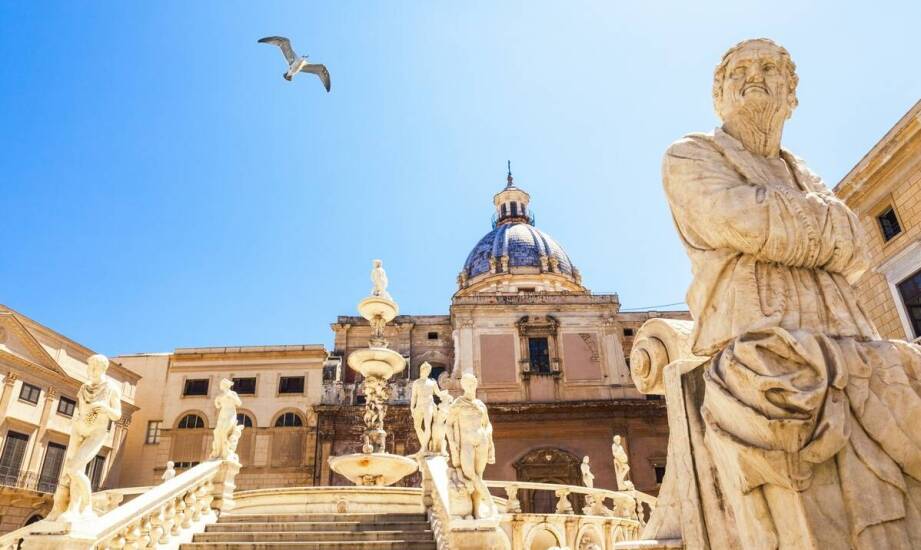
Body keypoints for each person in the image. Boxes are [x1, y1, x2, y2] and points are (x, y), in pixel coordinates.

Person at [662, 38, 921, 549]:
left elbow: (855, 247)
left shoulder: (804, 171)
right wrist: (821, 229)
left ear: (791, 93)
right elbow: (740, 219)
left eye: (768, 68)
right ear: (720, 94)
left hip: (855, 347)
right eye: (739, 69)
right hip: (766, 351)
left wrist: (796, 226)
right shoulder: (689, 155)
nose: (752, 76)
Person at [48, 354, 122, 521]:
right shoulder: (84, 388)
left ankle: (85, 505)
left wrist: (105, 408)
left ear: (103, 368)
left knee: (75, 468)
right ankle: (66, 508)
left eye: (93, 367)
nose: (90, 370)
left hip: (97, 432)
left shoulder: (112, 388)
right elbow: (81, 409)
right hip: (79, 428)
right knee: (71, 469)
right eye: (89, 367)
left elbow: (117, 415)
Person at [445, 373, 496, 519]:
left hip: (482, 442)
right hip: (466, 443)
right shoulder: (458, 404)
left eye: (472, 383)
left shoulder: (481, 405)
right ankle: (491, 504)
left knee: (479, 475)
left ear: (475, 384)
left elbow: (487, 424)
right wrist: (452, 443)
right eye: (467, 384)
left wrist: (490, 440)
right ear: (463, 386)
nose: (470, 386)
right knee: (471, 476)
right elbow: (448, 425)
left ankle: (477, 509)